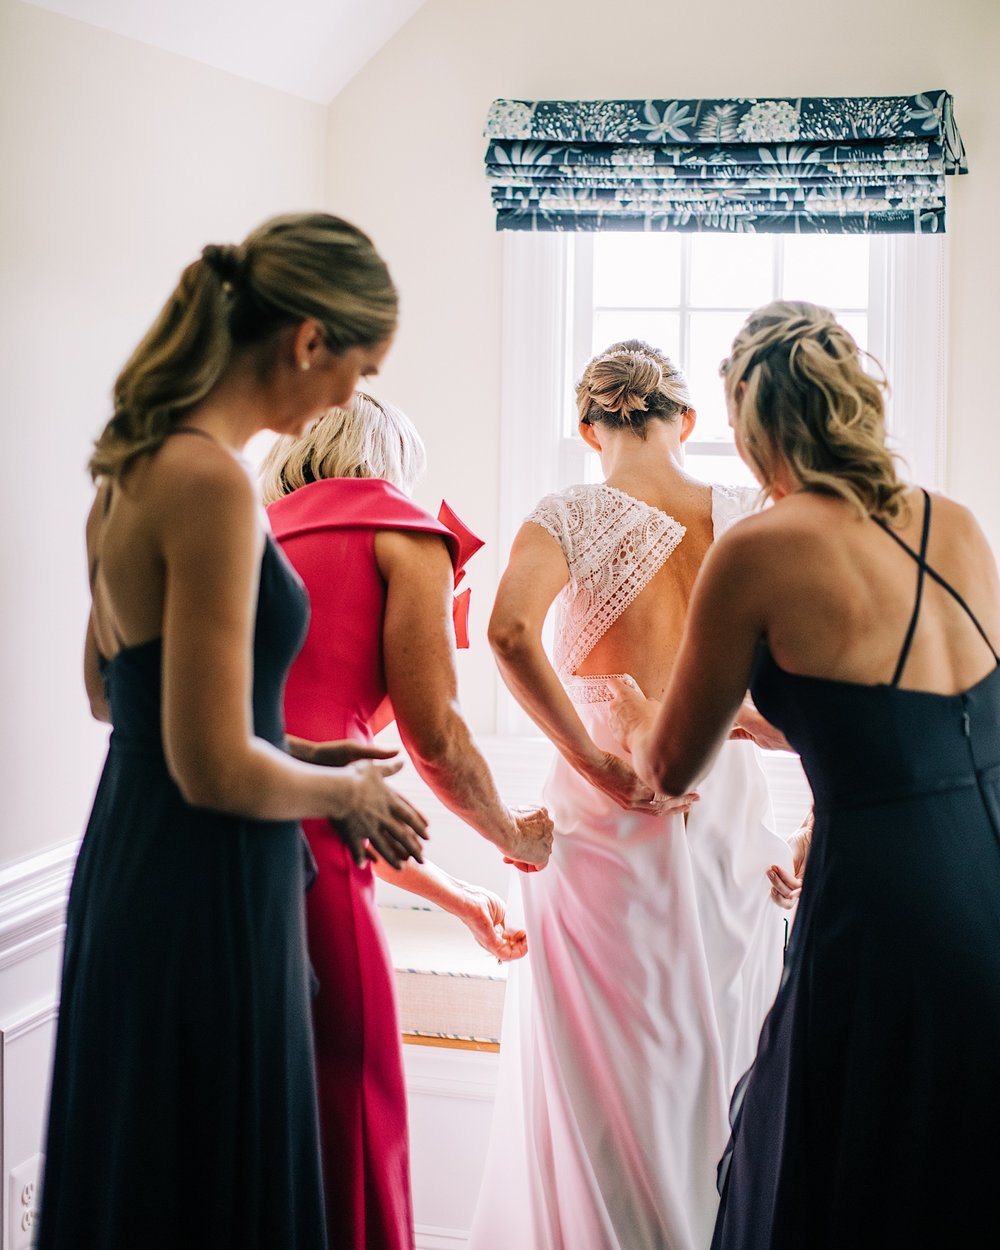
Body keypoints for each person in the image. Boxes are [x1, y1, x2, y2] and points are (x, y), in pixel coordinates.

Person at [39, 213, 430, 1250]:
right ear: (308, 339)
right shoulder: (210, 480)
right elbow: (212, 765)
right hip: (204, 876)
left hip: (135, 853)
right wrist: (349, 793)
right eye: (360, 364)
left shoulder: (129, 469)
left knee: (155, 1173)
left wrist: (296, 748)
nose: (354, 395)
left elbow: (113, 691)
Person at [609, 303, 1000, 1250]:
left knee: (839, 1165)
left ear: (750, 425)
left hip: (883, 909)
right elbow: (917, 731)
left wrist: (643, 717)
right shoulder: (954, 524)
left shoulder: (761, 547)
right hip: (985, 879)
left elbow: (667, 766)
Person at [469, 342, 791, 1250]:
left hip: (605, 821)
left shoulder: (571, 510)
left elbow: (506, 631)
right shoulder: (749, 514)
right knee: (724, 1057)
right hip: (729, 815)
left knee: (609, 1088)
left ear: (588, 428)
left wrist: (588, 755)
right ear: (686, 421)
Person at [260, 394, 552, 1250]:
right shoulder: (402, 530)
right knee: (351, 1103)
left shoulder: (249, 536)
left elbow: (322, 765)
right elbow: (432, 741)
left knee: (252, 1113)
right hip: (317, 859)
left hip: (220, 839)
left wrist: (458, 898)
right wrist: (511, 833)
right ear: (388, 457)